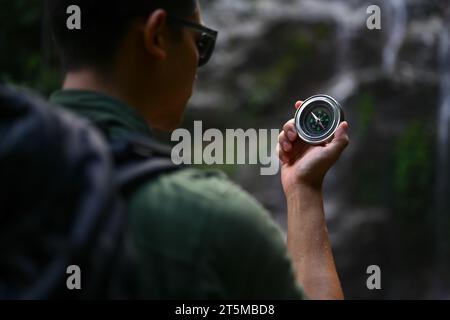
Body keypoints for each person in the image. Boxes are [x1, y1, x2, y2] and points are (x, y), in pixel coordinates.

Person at [45, 0, 349, 299]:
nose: (197, 62)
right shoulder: (212, 222)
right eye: (200, 42)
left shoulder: (15, 153)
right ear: (157, 36)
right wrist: (304, 193)